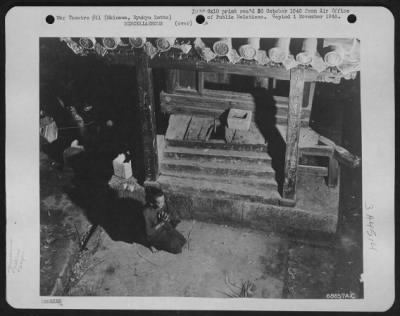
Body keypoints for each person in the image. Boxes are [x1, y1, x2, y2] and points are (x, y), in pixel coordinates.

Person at [143, 187, 185, 254]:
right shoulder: (146, 212)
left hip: (164, 228)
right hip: (154, 235)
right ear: (151, 203)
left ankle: (166, 240)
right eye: (159, 202)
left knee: (182, 241)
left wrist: (168, 217)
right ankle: (154, 245)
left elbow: (174, 216)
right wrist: (161, 223)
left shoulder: (163, 204)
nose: (163, 204)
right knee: (177, 249)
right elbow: (149, 233)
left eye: (163, 201)